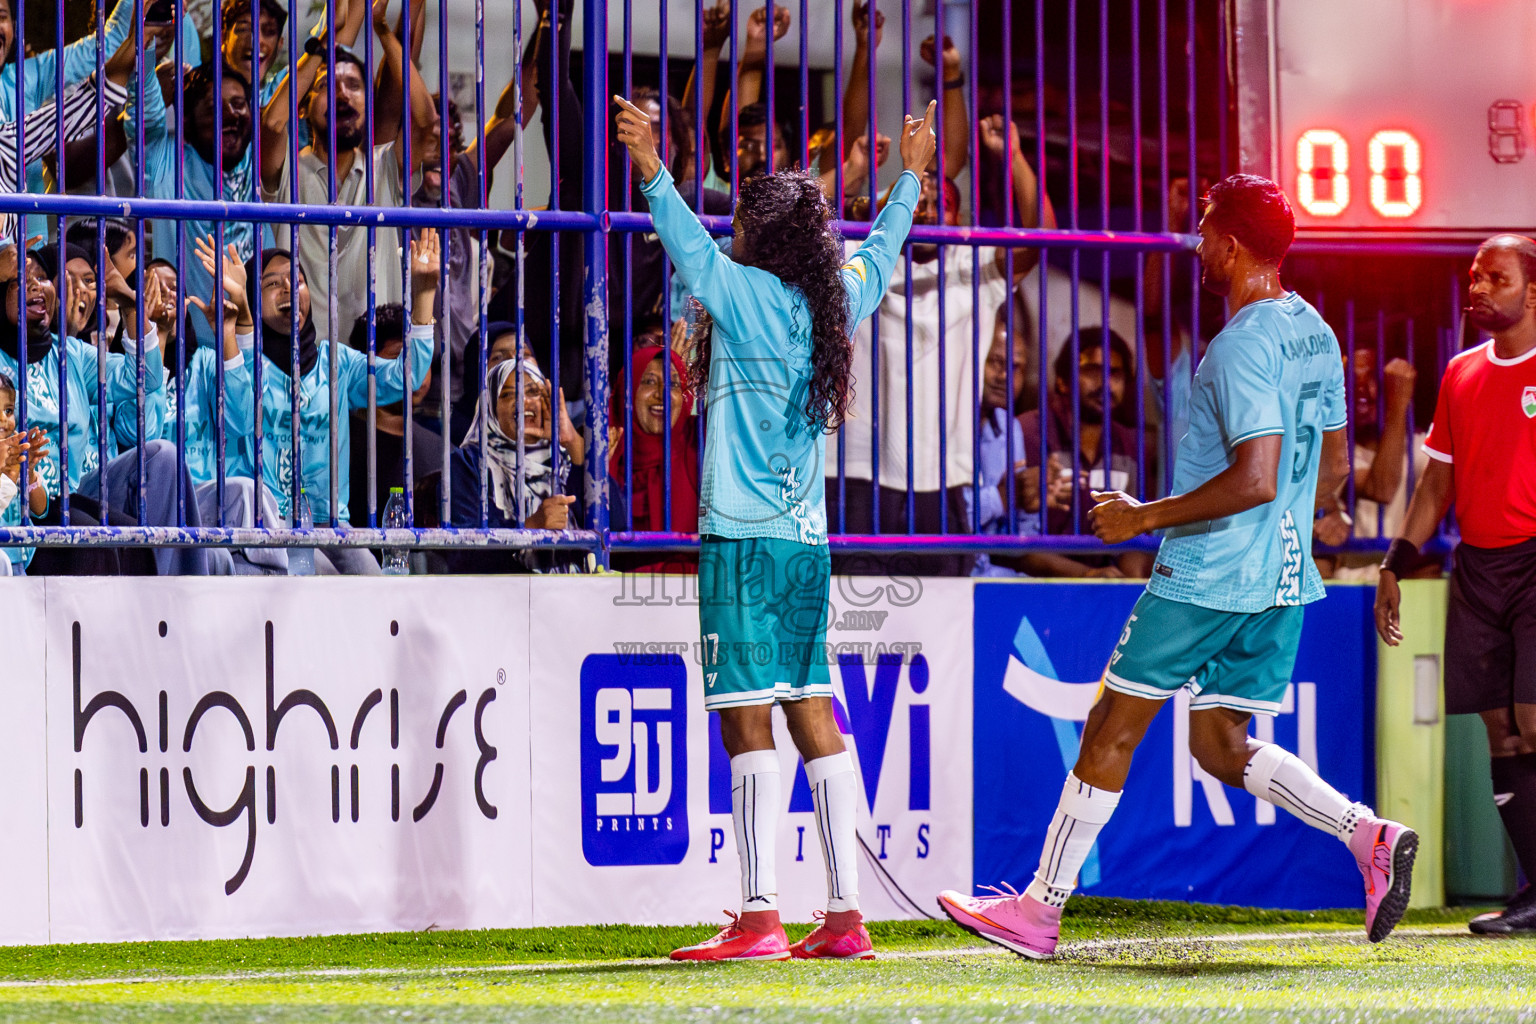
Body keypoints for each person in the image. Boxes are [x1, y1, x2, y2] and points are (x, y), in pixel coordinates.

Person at [938, 174, 1417, 958]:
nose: (1197, 244)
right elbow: (1331, 464)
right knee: (1221, 743)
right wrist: (1303, 517)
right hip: (1284, 574)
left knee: (1109, 728)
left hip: (1209, 574)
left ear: (1231, 245)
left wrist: (1142, 517)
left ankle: (1038, 910)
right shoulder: (1316, 331)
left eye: (1203, 231)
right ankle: (1368, 836)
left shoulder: (1239, 346)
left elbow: (1255, 475)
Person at [616, 89, 934, 962]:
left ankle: (758, 916)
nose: (730, 233)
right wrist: (910, 181)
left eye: (742, 222)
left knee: (743, 720)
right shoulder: (837, 302)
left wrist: (649, 163)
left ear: (761, 237)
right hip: (804, 544)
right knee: (812, 712)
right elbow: (880, 249)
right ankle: (844, 916)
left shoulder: (743, 294)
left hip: (741, 542)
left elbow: (681, 239)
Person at [1375, 234, 1536, 936]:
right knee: (1498, 732)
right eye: (1473, 277)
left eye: (1494, 278)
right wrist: (1395, 562)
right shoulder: (1461, 373)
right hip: (1477, 565)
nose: (1478, 289)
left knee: (1533, 720)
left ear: (1532, 292)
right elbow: (1437, 477)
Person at [829, 112, 1052, 576]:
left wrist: (1014, 160)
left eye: (941, 199)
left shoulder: (973, 266)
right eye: (916, 196)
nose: (927, 206)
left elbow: (1040, 237)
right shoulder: (861, 254)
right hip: (853, 473)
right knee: (853, 618)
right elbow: (787, 222)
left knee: (941, 617)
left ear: (958, 217)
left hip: (940, 476)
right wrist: (850, 171)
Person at [236, 234, 435, 573]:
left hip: (332, 528)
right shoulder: (238, 366)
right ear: (252, 299)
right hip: (266, 529)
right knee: (322, 581)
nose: (288, 289)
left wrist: (423, 294)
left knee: (374, 583)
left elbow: (408, 377)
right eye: (273, 283)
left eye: (297, 281)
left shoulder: (336, 363)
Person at [1018, 328, 1154, 580]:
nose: (1104, 383)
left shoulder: (1132, 445)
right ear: (1062, 381)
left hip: (1108, 585)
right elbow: (1015, 544)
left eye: (1115, 374)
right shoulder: (1027, 432)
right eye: (1092, 371)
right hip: (1035, 585)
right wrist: (1088, 574)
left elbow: (1135, 536)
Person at [445, 354, 586, 574]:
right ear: (490, 406)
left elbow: (615, 528)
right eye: (509, 394)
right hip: (504, 599)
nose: (523, 401)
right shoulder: (469, 463)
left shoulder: (565, 459)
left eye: (532, 392)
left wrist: (571, 441)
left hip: (579, 594)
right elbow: (463, 554)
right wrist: (530, 526)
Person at [1320, 347, 1425, 581]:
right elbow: (1381, 488)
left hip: (1408, 590)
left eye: (1371, 377)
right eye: (1351, 379)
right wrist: (1398, 404)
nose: (1360, 388)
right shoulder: (1333, 456)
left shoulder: (1421, 449)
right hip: (1349, 587)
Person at [346, 302, 443, 527]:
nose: (416, 371)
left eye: (422, 359)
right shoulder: (337, 441)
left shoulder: (441, 448)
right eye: (400, 357)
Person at [609, 344, 699, 575]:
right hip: (617, 599)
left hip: (691, 598)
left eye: (674, 384)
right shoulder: (607, 448)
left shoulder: (699, 441)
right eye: (648, 381)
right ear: (626, 392)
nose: (662, 394)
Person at [0, 374, 49, 572]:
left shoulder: (19, 452)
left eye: (8, 410)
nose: (3, 419)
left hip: (21, 561)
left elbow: (40, 509)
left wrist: (28, 472)